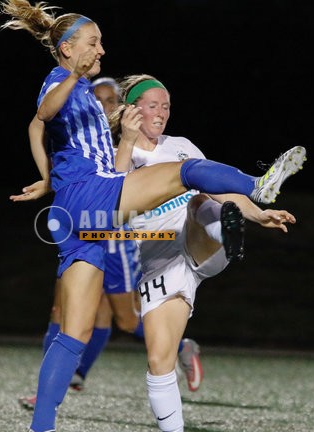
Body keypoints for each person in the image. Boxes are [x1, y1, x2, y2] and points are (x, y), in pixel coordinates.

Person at [0, 2, 306, 432]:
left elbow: (34, 128)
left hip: (77, 211)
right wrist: (71, 75)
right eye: (93, 43)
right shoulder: (62, 80)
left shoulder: (80, 90)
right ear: (67, 49)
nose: (101, 51)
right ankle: (258, 186)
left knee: (74, 334)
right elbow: (43, 113)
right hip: (89, 194)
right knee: (186, 172)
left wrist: (47, 179)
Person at [107, 73, 299, 432]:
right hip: (160, 261)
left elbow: (219, 189)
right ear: (132, 109)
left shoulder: (181, 146)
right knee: (159, 361)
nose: (161, 112)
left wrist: (258, 214)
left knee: (200, 200)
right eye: (153, 105)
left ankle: (228, 233)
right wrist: (126, 141)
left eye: (166, 106)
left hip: (201, 242)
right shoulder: (118, 152)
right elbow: (113, 196)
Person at [13, 77, 204, 411]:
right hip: (84, 232)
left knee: (124, 320)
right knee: (62, 310)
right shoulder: (86, 134)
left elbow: (123, 187)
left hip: (117, 242)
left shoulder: (130, 142)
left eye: (109, 100)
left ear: (122, 107)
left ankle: (181, 347)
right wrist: (49, 178)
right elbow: (42, 130)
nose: (102, 106)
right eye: (96, 99)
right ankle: (54, 387)